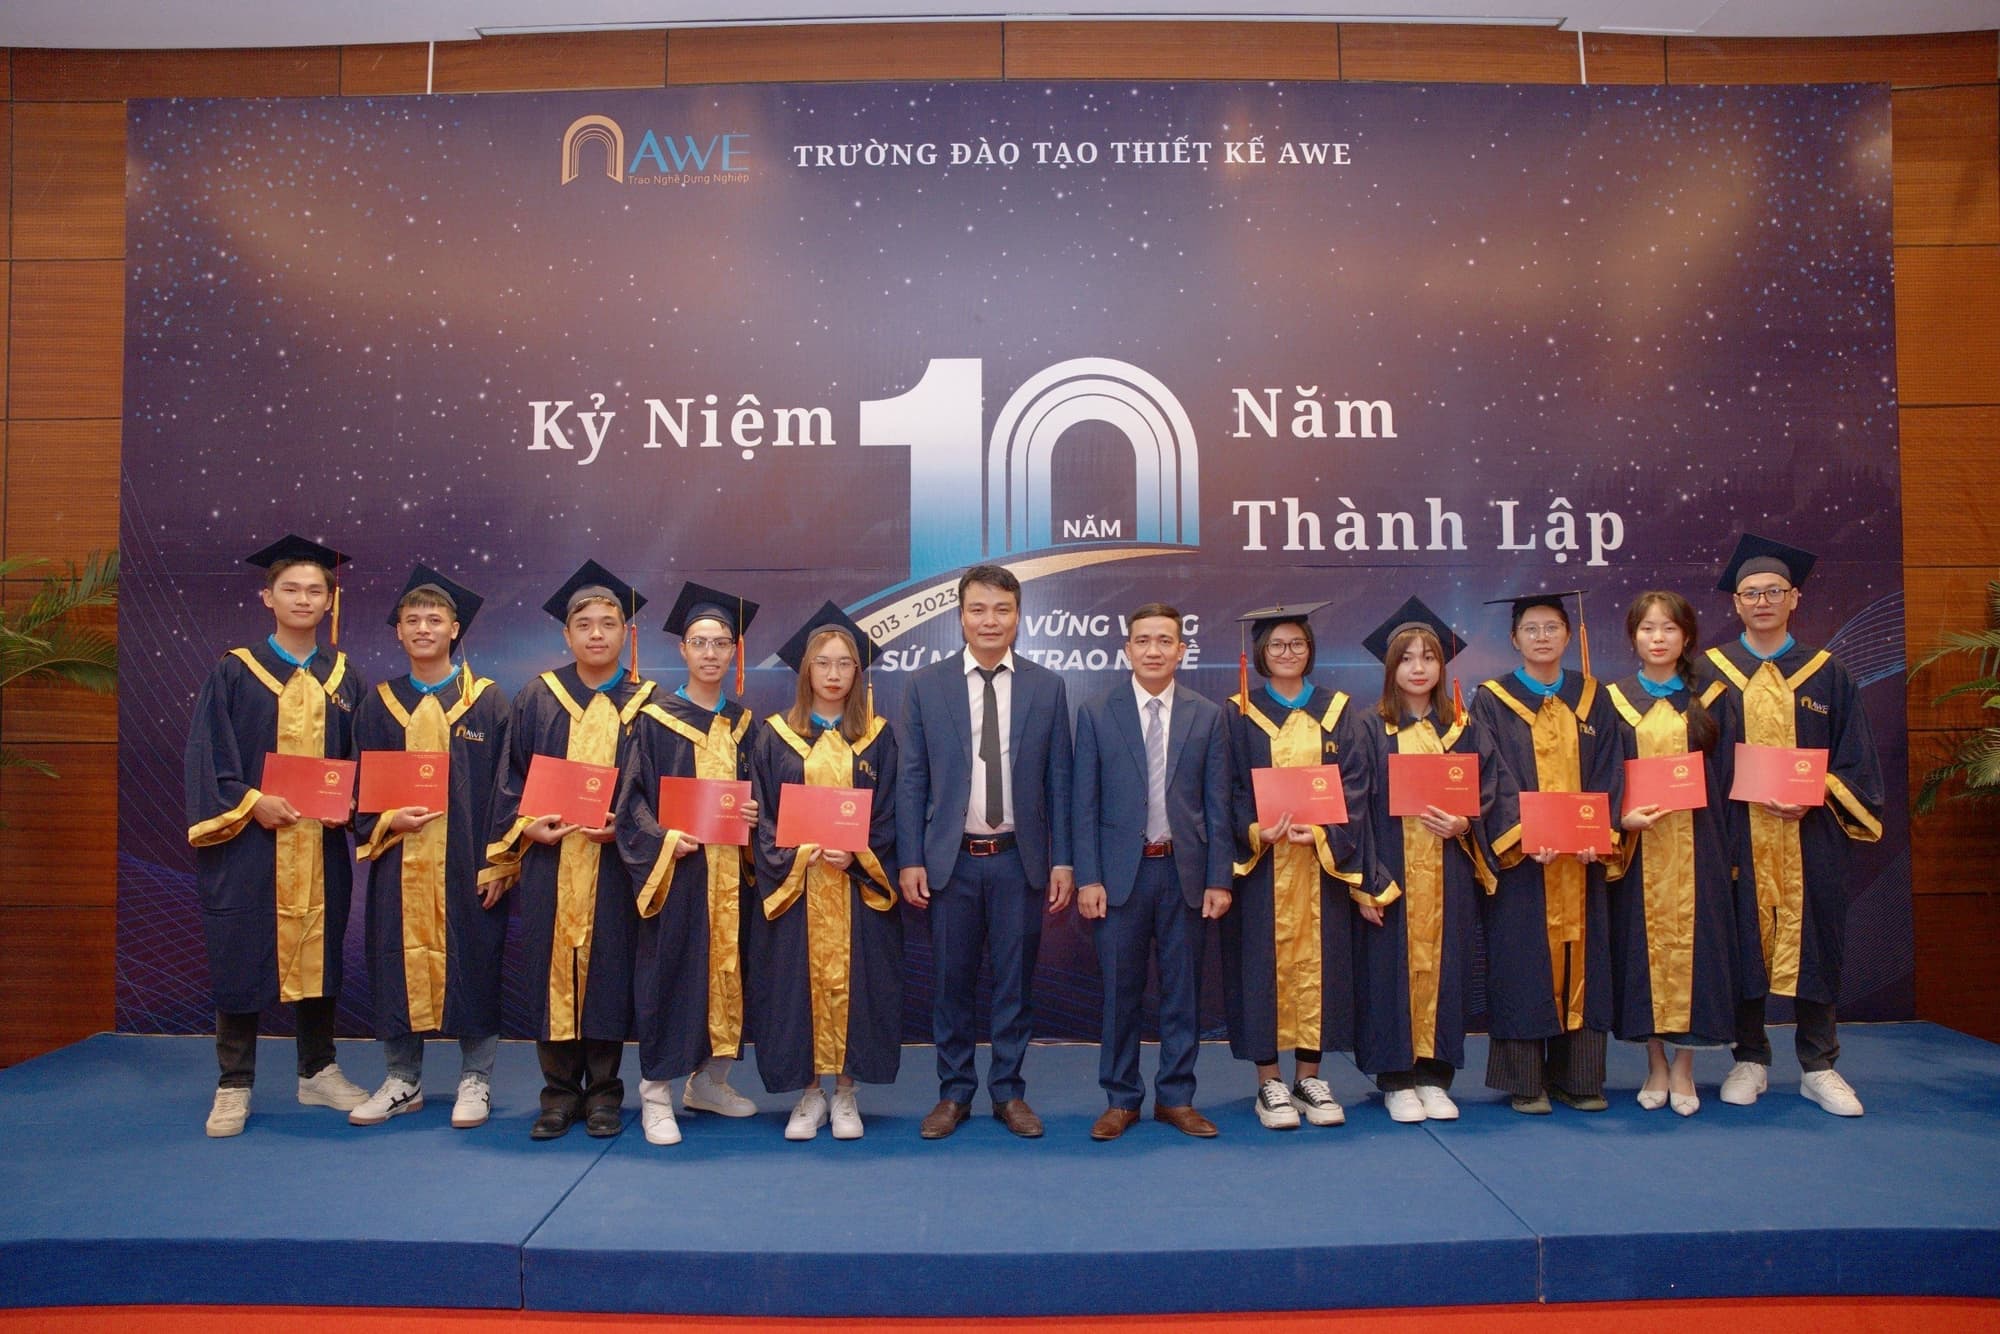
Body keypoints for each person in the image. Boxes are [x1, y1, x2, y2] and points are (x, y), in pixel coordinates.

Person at [185, 534, 369, 1137]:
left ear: (329, 602)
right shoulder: (235, 671)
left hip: (318, 844)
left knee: (320, 950)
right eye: (290, 589)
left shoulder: (344, 676)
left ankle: (318, 1071)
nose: (303, 599)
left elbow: (362, 759)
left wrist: (353, 804)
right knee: (240, 954)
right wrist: (251, 802)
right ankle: (234, 1083)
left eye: (315, 590)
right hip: (249, 843)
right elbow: (209, 756)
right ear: (267, 597)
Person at [1704, 534, 1885, 1117]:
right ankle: (1750, 1058)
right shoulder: (1710, 674)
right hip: (1739, 834)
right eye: (1751, 593)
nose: (1762, 602)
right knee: (1742, 941)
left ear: (1795, 597)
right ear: (1736, 603)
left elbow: (1856, 758)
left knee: (1817, 942)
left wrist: (1816, 794)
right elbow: (1692, 760)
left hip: (1812, 836)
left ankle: (1819, 1065)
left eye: (1774, 591)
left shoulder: (1829, 675)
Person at [897, 564, 1074, 1141]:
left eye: (1002, 609)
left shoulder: (1047, 686)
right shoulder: (926, 685)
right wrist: (910, 858)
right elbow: (912, 780)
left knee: (1014, 985)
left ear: (1018, 616)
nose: (990, 620)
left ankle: (1008, 1092)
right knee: (950, 984)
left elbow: (1060, 781)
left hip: (1019, 860)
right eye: (978, 609)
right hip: (950, 862)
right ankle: (953, 1093)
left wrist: (1064, 860)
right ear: (961, 617)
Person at [486, 561, 656, 1140]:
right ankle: (558, 1094)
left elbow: (656, 788)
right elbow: (510, 778)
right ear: (567, 633)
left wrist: (627, 828)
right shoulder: (538, 696)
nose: (597, 634)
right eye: (584, 625)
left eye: (609, 623)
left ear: (625, 632)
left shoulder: (647, 703)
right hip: (550, 862)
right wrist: (525, 827)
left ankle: (605, 1094)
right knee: (549, 972)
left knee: (609, 971)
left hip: (615, 865)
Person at [349, 566, 512, 1130]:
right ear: (398, 631)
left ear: (454, 629)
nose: (423, 628)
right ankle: (403, 1078)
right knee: (395, 962)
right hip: (400, 863)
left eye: (434, 619)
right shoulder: (378, 704)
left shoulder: (487, 702)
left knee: (477, 959)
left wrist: (501, 860)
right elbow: (359, 788)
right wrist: (386, 818)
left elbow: (507, 788)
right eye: (413, 620)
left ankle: (476, 1079)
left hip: (469, 862)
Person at [1351, 597, 1519, 1124]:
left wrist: (1465, 825)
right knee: (1388, 973)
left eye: (1428, 657)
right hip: (1393, 873)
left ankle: (1435, 1076)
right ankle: (1396, 1080)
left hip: (1450, 875)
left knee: (1449, 971)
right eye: (1406, 658)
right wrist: (1366, 881)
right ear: (1390, 667)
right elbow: (1353, 808)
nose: (1418, 668)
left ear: (1442, 666)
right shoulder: (1368, 727)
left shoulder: (1464, 728)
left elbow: (1494, 791)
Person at [1223, 601, 1387, 1131]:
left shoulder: (1338, 710)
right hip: (1263, 868)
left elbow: (1356, 786)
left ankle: (1309, 1079)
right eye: (1276, 644)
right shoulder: (1239, 712)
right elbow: (1227, 788)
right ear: (1261, 653)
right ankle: (1269, 1081)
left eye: (1297, 643)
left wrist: (1319, 833)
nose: (1287, 652)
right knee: (1261, 971)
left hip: (1320, 866)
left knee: (1321, 970)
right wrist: (1256, 830)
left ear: (1310, 650)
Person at [1073, 602, 1234, 1141]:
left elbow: (1217, 805)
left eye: (1165, 640)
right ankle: (1121, 1099)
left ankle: (1176, 1097)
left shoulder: (1207, 715)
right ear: (1127, 650)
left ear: (1182, 650)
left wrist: (1219, 878)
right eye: (1143, 640)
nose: (1154, 650)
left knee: (1182, 993)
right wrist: (1088, 877)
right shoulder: (1097, 712)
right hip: (1120, 878)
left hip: (1184, 874)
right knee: (1120, 993)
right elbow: (1083, 804)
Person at [1604, 590, 1764, 1116]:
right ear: (1633, 637)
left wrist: (1731, 850)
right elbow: (1602, 775)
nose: (1658, 638)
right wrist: (1619, 818)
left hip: (1701, 848)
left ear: (1687, 637)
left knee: (1700, 954)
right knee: (1640, 954)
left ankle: (1684, 1067)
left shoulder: (1714, 698)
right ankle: (1654, 1063)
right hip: (1639, 851)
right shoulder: (1613, 700)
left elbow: (1731, 777)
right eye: (1647, 628)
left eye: (1669, 629)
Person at [748, 602, 902, 1141]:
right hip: (798, 889)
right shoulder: (774, 735)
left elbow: (891, 813)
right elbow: (763, 815)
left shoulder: (878, 737)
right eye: (823, 663)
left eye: (844, 664)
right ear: (805, 670)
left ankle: (847, 1093)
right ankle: (810, 1094)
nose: (834, 674)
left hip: (857, 890)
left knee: (860, 988)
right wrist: (798, 855)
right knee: (794, 989)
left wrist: (859, 854)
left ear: (858, 672)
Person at [617, 582, 763, 1146]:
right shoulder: (654, 719)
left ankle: (709, 1082)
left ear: (734, 652)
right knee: (670, 975)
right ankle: (656, 1092)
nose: (710, 653)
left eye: (721, 643)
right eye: (699, 642)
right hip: (678, 874)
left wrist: (756, 815)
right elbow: (630, 800)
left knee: (729, 973)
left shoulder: (747, 725)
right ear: (682, 649)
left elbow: (767, 799)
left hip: (733, 878)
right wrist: (661, 838)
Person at [1470, 592, 1620, 1115]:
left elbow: (1611, 769)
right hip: (1523, 862)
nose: (1542, 637)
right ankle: (1526, 1081)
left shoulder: (1595, 697)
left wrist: (1599, 835)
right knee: (1521, 962)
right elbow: (1489, 774)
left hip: (1582, 861)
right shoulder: (1492, 700)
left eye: (1552, 627)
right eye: (1530, 629)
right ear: (1514, 639)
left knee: (1585, 959)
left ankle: (1579, 1078)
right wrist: (1523, 834)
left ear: (1568, 634)